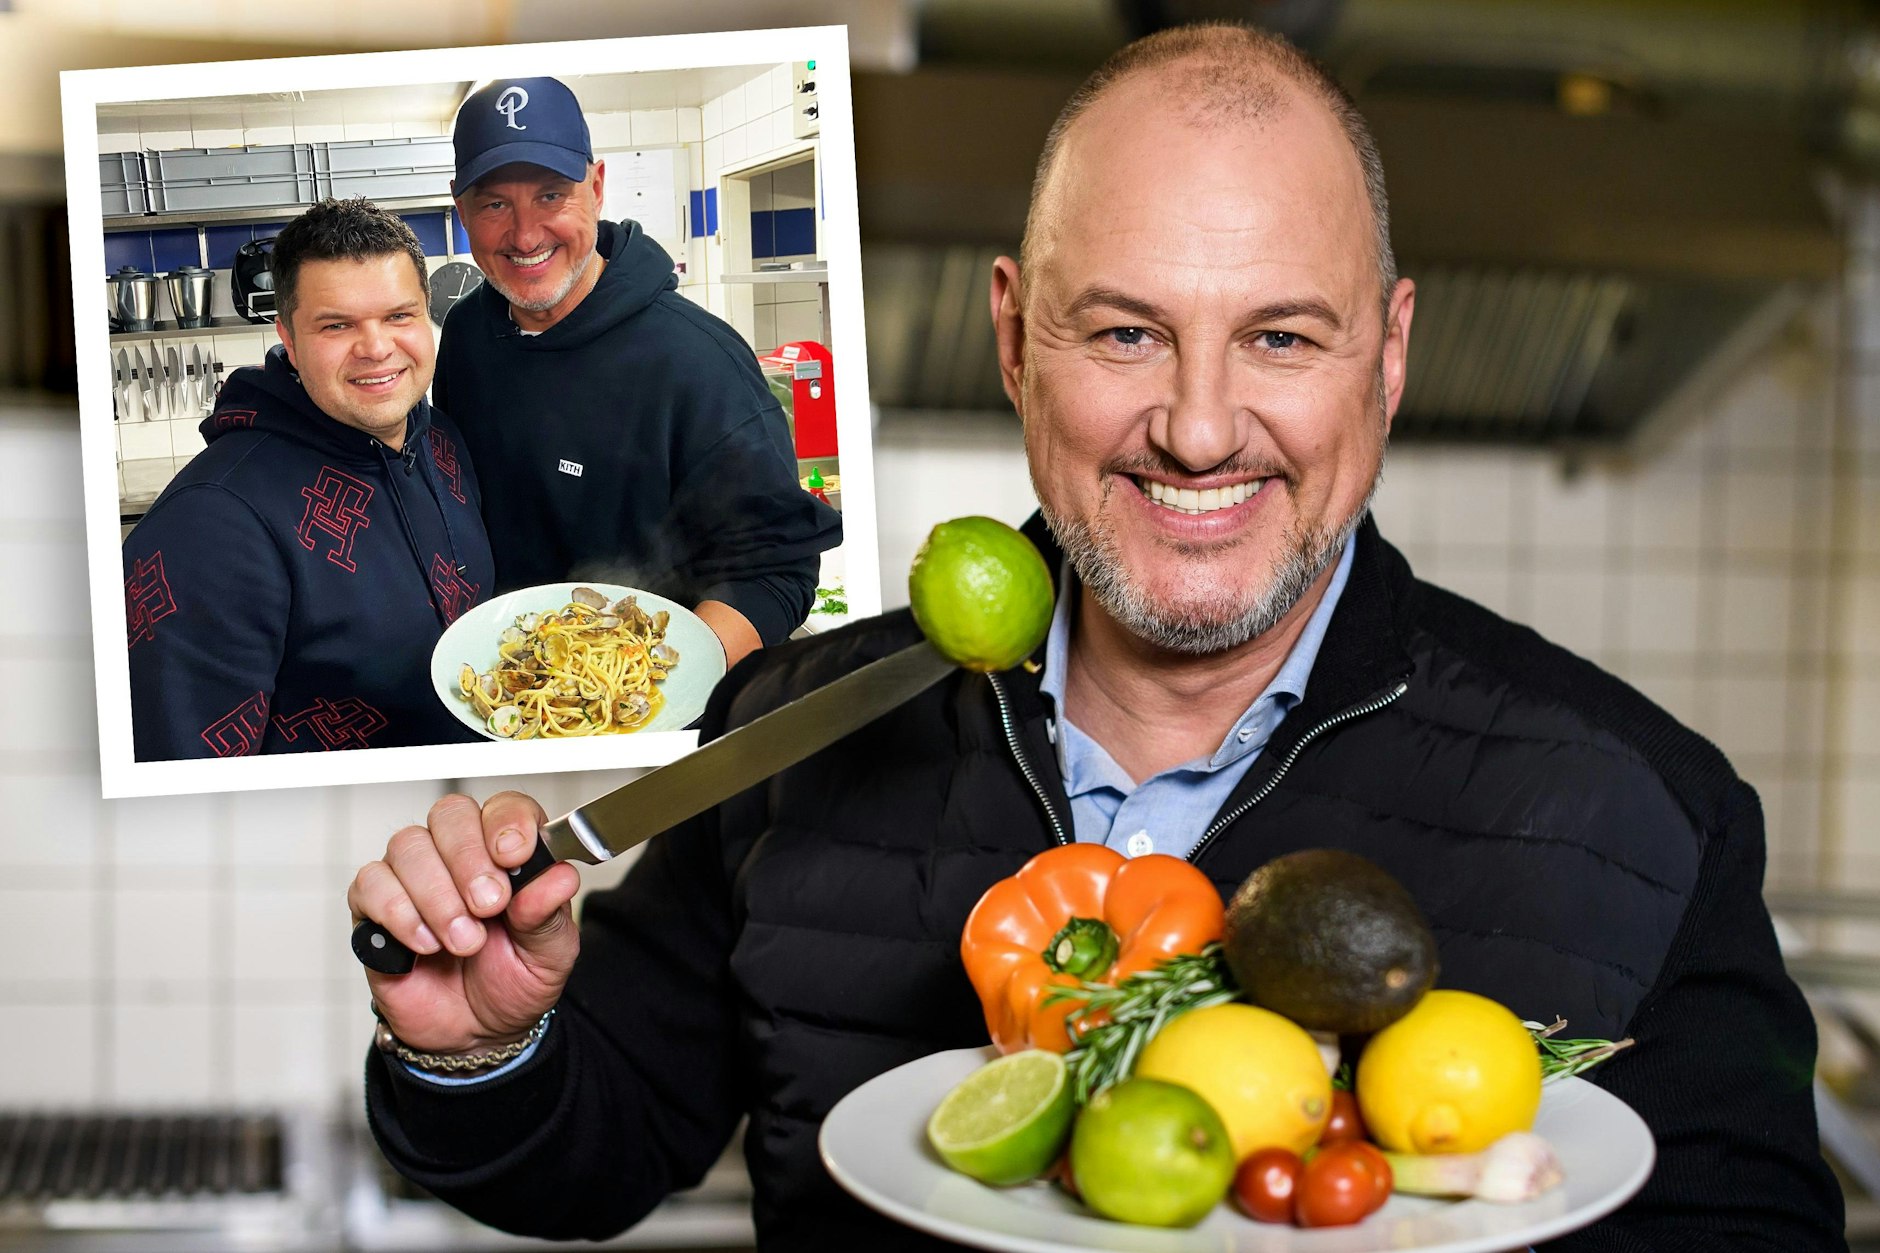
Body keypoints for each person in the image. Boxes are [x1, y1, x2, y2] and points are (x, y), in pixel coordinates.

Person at [351, 26, 1846, 1251]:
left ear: (1388, 356)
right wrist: (476, 1045)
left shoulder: (1643, 811)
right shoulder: (791, 736)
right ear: (1014, 337)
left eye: (1282, 336)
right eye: (1125, 332)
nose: (1198, 430)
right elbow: (585, 1155)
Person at [436, 76, 842, 671]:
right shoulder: (468, 334)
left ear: (597, 188)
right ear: (461, 207)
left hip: (647, 702)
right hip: (491, 683)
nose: (524, 236)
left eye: (551, 195)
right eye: (495, 203)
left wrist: (652, 691)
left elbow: (774, 568)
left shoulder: (700, 363)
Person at [124, 198, 493, 759]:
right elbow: (181, 778)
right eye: (337, 324)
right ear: (289, 340)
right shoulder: (210, 526)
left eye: (399, 316)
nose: (376, 348)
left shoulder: (440, 440)